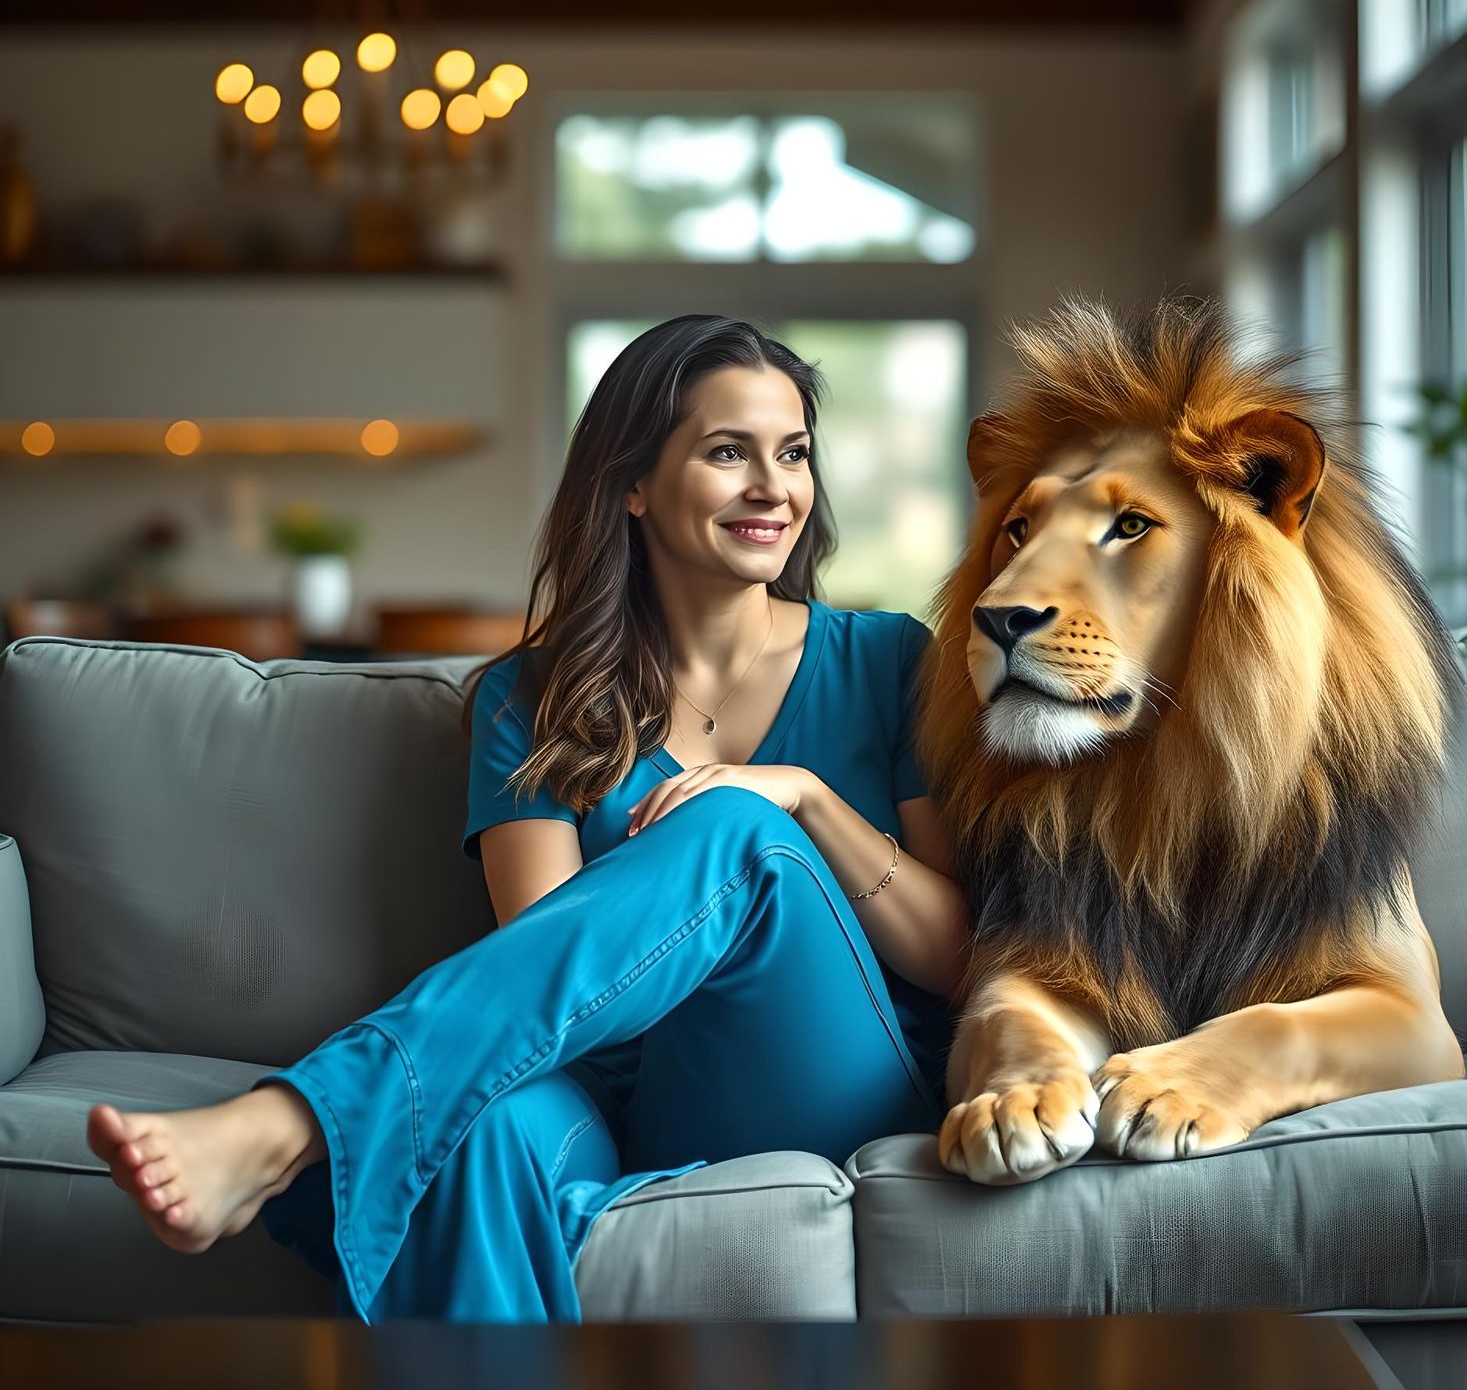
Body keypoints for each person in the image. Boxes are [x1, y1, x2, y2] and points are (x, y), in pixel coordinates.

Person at [85, 313, 970, 1323]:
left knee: (738, 826)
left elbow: (955, 953)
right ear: (632, 483)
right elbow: (547, 987)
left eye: (794, 453)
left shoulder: (894, 660)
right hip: (628, 1097)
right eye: (728, 451)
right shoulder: (533, 696)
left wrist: (803, 799)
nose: (774, 487)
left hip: (828, 1072)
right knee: (480, 1128)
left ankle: (296, 1118)